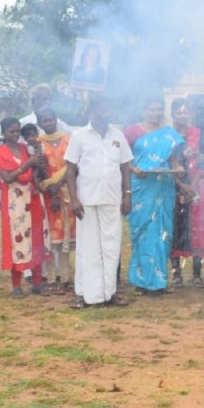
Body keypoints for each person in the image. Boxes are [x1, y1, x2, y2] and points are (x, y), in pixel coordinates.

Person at [65, 96, 133, 308]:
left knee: (111, 247)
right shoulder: (79, 136)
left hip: (112, 199)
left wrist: (128, 194)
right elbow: (70, 170)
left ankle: (108, 293)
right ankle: (84, 294)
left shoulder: (118, 136)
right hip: (86, 200)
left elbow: (125, 167)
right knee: (88, 248)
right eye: (100, 109)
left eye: (107, 109)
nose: (105, 113)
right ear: (91, 111)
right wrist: (74, 199)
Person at [0, 118, 50, 297]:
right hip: (14, 202)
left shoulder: (25, 149)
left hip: (32, 197)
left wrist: (38, 163)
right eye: (11, 132)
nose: (15, 135)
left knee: (36, 239)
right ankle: (16, 285)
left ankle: (37, 282)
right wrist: (28, 164)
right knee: (17, 241)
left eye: (17, 131)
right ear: (3, 133)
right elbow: (8, 178)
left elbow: (37, 167)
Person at [126, 98, 183, 295]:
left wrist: (178, 168)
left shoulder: (169, 135)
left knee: (161, 233)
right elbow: (124, 160)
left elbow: (173, 160)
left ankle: (159, 281)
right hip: (141, 187)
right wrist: (135, 170)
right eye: (152, 109)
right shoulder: (132, 132)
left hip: (162, 187)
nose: (156, 113)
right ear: (144, 110)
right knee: (142, 233)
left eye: (159, 110)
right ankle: (141, 282)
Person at [169, 99, 204, 287]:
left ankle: (197, 274)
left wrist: (193, 184)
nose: (183, 115)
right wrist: (180, 184)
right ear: (172, 115)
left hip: (196, 188)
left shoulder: (198, 134)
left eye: (186, 112)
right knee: (175, 228)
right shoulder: (167, 135)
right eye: (179, 112)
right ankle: (176, 274)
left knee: (197, 229)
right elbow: (165, 161)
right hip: (173, 187)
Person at [37, 108, 75, 291]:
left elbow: (73, 165)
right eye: (45, 121)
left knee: (66, 236)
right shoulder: (38, 144)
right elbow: (38, 171)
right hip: (48, 194)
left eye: (51, 120)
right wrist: (52, 191)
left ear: (56, 120)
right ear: (40, 124)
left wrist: (58, 184)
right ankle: (51, 278)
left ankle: (66, 278)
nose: (49, 123)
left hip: (68, 191)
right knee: (51, 239)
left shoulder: (69, 140)